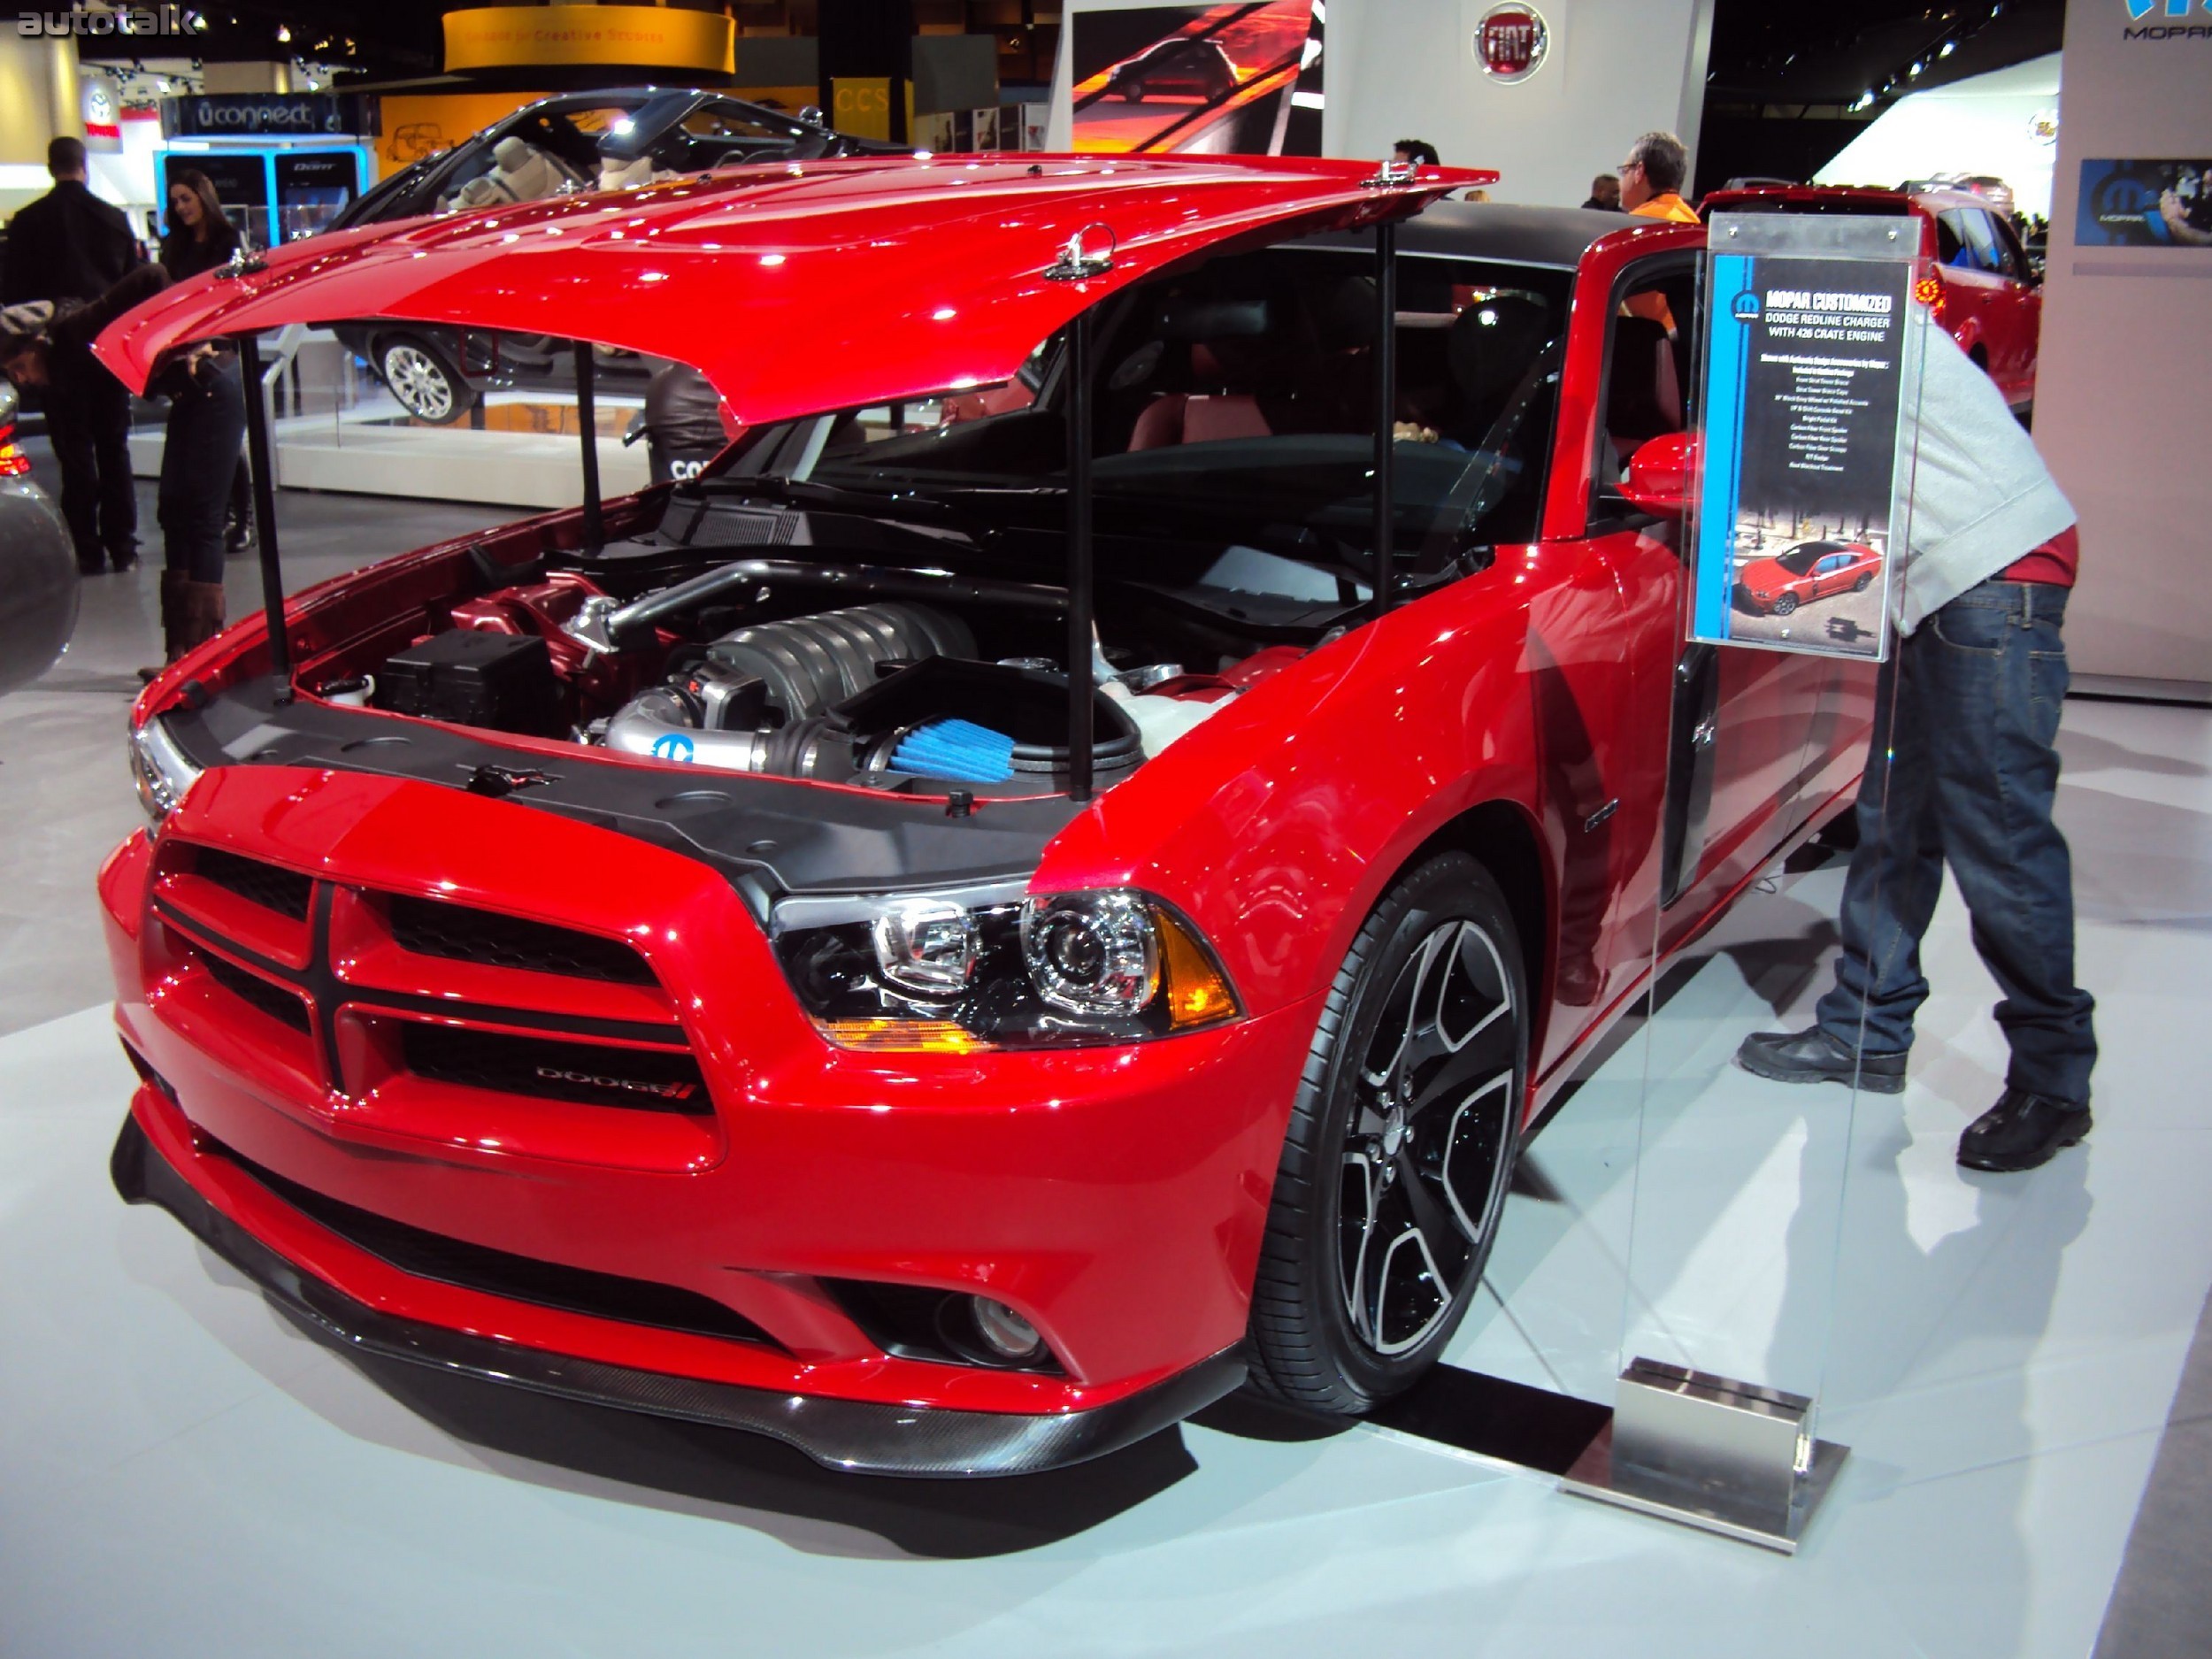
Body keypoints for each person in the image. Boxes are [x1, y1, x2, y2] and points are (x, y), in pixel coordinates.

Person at [1735, 316, 2095, 1174]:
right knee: (1896, 820)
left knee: (1999, 840)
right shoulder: (1819, 305)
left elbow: (1794, 466)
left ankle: (2053, 1083)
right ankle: (1866, 1029)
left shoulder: (1825, 313)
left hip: (1989, 571)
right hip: (1946, 580)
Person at [1, 264, 244, 663]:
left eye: (19, 368)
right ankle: (179, 657)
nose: (22, 379)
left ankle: (203, 659)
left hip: (213, 387)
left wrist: (193, 338)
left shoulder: (76, 331)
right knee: (173, 513)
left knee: (200, 519)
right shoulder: (68, 366)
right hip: (190, 395)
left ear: (36, 345)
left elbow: (152, 276)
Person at [1, 136, 142, 573]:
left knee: (74, 452)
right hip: (106, 350)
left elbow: (14, 296)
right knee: (114, 447)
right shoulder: (114, 219)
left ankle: (86, 547)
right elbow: (132, 289)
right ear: (84, 166)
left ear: (50, 167)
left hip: (54, 354)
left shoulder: (27, 222)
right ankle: (123, 544)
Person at [158, 168, 254, 552]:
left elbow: (239, 295)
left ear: (203, 196)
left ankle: (243, 518)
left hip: (222, 345)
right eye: (175, 201)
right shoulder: (174, 245)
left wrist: (217, 341)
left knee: (225, 435)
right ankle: (223, 514)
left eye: (186, 198)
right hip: (185, 345)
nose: (181, 207)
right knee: (202, 435)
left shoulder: (229, 239)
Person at [1617, 131, 1698, 224]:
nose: (1620, 182)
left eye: (1625, 170)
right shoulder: (1693, 221)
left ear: (1639, 171)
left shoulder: (1636, 224)